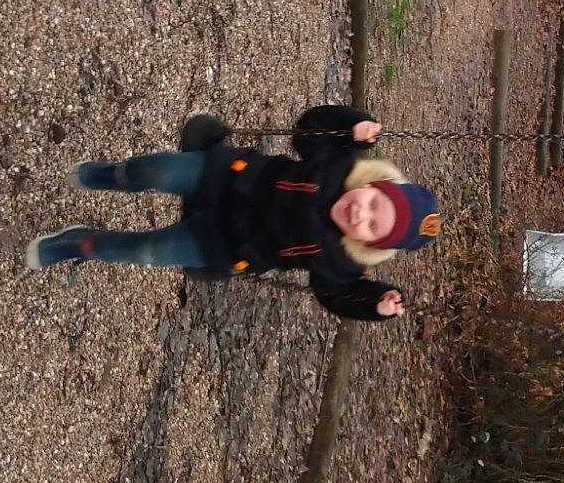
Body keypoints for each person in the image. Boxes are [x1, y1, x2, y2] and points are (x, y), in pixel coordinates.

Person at [25, 105, 440, 321]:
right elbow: (307, 127)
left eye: (371, 226)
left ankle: (81, 243)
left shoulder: (340, 262)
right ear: (371, 185)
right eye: (371, 204)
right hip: (228, 176)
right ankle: (117, 175)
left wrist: (373, 304)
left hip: (227, 244)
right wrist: (350, 127)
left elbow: (334, 297)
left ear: (368, 243)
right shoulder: (338, 164)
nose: (359, 214)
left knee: (149, 251)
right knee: (156, 170)